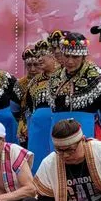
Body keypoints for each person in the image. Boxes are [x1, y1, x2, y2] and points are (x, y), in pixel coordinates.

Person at [47, 32, 101, 147]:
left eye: (75, 57)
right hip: (59, 136)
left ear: (84, 56)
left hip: (88, 135)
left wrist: (99, 131)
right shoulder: (55, 77)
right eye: (67, 56)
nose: (70, 61)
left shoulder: (95, 76)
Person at [25, 39, 60, 173]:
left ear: (52, 56)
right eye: (37, 56)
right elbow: (28, 107)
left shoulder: (64, 76)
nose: (39, 59)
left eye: (42, 56)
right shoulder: (34, 82)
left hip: (58, 125)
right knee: (38, 160)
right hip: (38, 128)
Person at [15, 45, 41, 148]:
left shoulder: (51, 81)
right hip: (24, 126)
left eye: (36, 65)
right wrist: (23, 123)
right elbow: (15, 109)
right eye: (29, 65)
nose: (32, 69)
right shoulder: (20, 83)